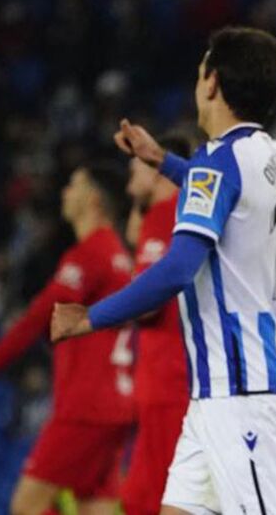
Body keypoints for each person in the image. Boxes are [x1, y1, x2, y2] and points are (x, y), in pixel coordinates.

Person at [51, 26, 276, 515]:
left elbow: (177, 270)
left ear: (212, 83)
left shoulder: (218, 163)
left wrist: (90, 317)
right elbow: (225, 189)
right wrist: (162, 161)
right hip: (222, 390)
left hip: (242, 387)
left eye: (199, 72)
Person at [0, 163, 135, 515]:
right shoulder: (118, 256)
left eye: (74, 185)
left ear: (93, 199)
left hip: (85, 408)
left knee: (26, 507)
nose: (65, 193)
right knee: (95, 507)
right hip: (114, 405)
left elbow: (35, 320)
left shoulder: (90, 255)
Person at [119, 133, 194, 515]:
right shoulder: (180, 212)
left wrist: (107, 311)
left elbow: (147, 305)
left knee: (162, 501)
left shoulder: (165, 214)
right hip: (170, 381)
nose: (129, 180)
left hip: (169, 381)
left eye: (136, 169)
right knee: (141, 500)